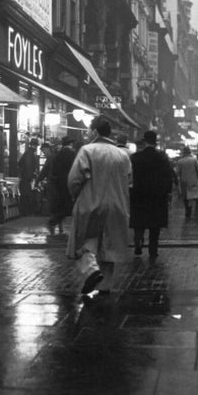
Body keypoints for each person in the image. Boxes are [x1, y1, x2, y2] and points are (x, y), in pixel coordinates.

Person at [66, 116, 131, 297]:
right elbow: (129, 180)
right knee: (109, 247)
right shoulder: (122, 155)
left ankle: (92, 271)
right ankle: (105, 286)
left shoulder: (87, 151)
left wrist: (76, 196)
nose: (86, 134)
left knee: (83, 241)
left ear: (95, 132)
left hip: (90, 203)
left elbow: (74, 180)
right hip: (118, 205)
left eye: (88, 131)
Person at [129, 130, 173, 260]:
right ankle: (153, 250)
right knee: (155, 225)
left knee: (139, 222)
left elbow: (130, 176)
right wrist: (168, 192)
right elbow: (168, 176)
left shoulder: (136, 157)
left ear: (145, 141)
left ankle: (138, 242)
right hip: (157, 196)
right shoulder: (162, 158)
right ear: (155, 142)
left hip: (139, 194)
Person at [47, 136, 76, 235]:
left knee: (62, 205)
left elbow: (53, 170)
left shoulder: (58, 155)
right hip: (69, 183)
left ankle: (56, 224)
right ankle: (53, 222)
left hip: (58, 184)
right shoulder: (73, 154)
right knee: (68, 207)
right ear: (71, 144)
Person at [176, 146, 198, 219]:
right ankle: (190, 210)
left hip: (184, 181)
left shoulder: (180, 161)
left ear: (183, 152)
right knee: (191, 196)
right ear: (190, 152)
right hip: (193, 181)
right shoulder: (194, 160)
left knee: (185, 197)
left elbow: (177, 172)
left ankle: (187, 211)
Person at [18, 137, 40, 215]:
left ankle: (26, 211)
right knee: (28, 194)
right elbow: (28, 165)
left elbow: (20, 163)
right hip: (28, 178)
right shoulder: (30, 153)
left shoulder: (28, 152)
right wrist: (31, 176)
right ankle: (27, 211)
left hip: (25, 177)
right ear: (35, 145)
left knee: (26, 194)